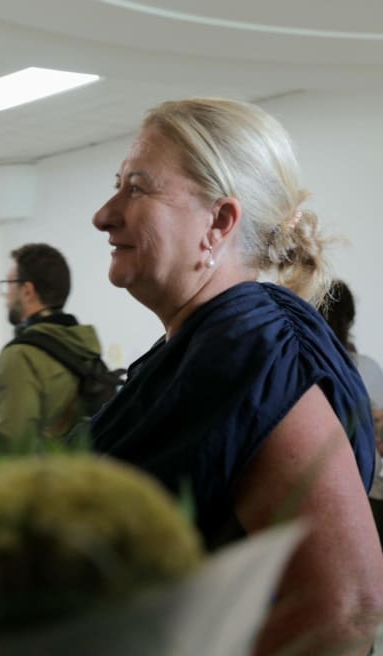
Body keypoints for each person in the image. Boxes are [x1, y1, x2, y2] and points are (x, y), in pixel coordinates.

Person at [90, 98, 383, 655]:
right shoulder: (202, 345)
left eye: (137, 188)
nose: (104, 214)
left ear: (219, 222)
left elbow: (343, 614)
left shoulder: (258, 351)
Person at [0, 243, 104, 452]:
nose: (5, 295)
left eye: (9, 285)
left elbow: (11, 446)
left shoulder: (21, 355)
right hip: (90, 479)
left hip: (48, 482)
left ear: (27, 291)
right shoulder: (85, 345)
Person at [321, 279, 383, 547]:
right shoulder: (366, 369)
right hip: (365, 495)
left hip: (318, 492)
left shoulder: (304, 366)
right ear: (350, 319)